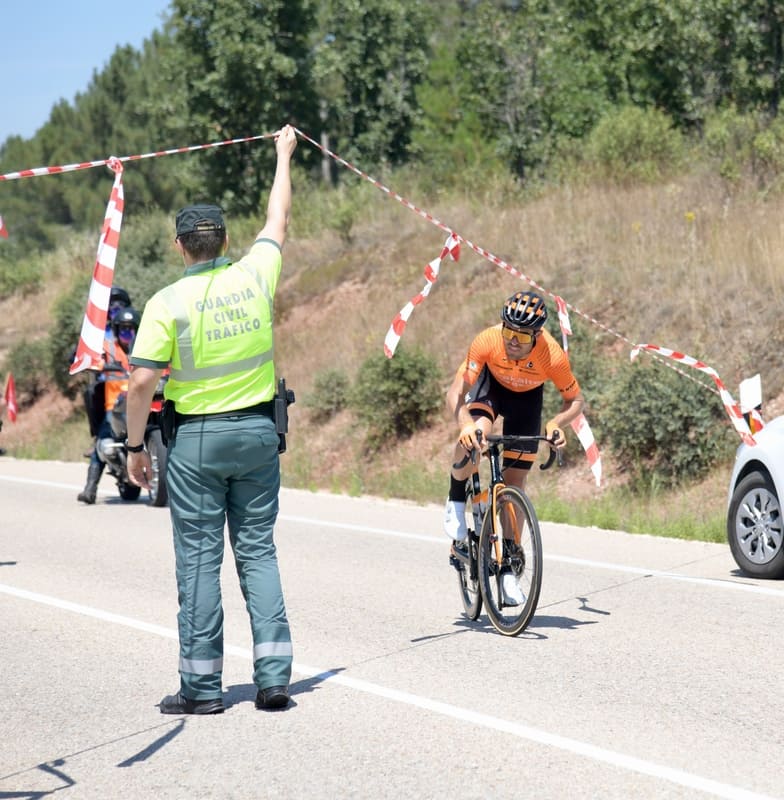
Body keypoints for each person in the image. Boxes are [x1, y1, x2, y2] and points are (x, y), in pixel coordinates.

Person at [125, 124, 297, 716]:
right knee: (258, 552)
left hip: (196, 443)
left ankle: (201, 689)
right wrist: (284, 153)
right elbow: (277, 218)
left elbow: (143, 380)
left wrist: (133, 443)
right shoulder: (254, 275)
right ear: (225, 241)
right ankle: (274, 680)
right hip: (256, 435)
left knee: (200, 560)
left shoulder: (165, 303)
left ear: (179, 247)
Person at [443, 290, 585, 603]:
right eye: (508, 331)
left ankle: (507, 570)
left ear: (537, 336)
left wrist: (556, 424)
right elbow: (455, 393)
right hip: (489, 388)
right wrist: (465, 424)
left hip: (527, 401)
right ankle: (455, 499)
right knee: (477, 435)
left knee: (515, 484)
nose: (512, 341)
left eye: (521, 337)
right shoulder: (487, 341)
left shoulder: (552, 355)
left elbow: (575, 399)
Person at [76, 306, 140, 504]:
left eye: (131, 329)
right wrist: (97, 364)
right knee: (102, 439)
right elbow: (91, 359)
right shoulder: (108, 347)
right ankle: (90, 488)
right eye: (123, 329)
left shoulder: (145, 347)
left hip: (142, 405)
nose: (127, 333)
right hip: (114, 407)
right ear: (116, 329)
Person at [81, 286, 133, 458]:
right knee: (93, 395)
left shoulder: (132, 328)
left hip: (132, 384)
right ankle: (98, 441)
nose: (114, 309)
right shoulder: (98, 332)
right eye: (111, 306)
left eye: (118, 305)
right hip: (108, 386)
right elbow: (82, 352)